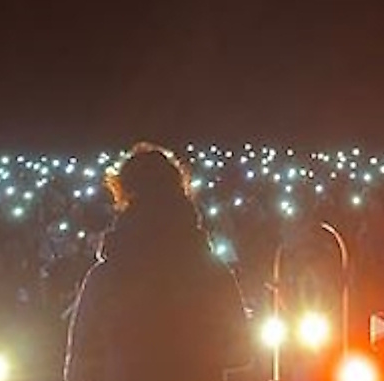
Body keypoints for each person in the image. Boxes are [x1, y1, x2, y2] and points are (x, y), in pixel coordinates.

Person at [64, 142, 250, 381]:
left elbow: (81, 367)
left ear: (125, 195)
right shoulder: (212, 273)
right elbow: (240, 352)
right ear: (180, 191)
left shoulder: (106, 278)